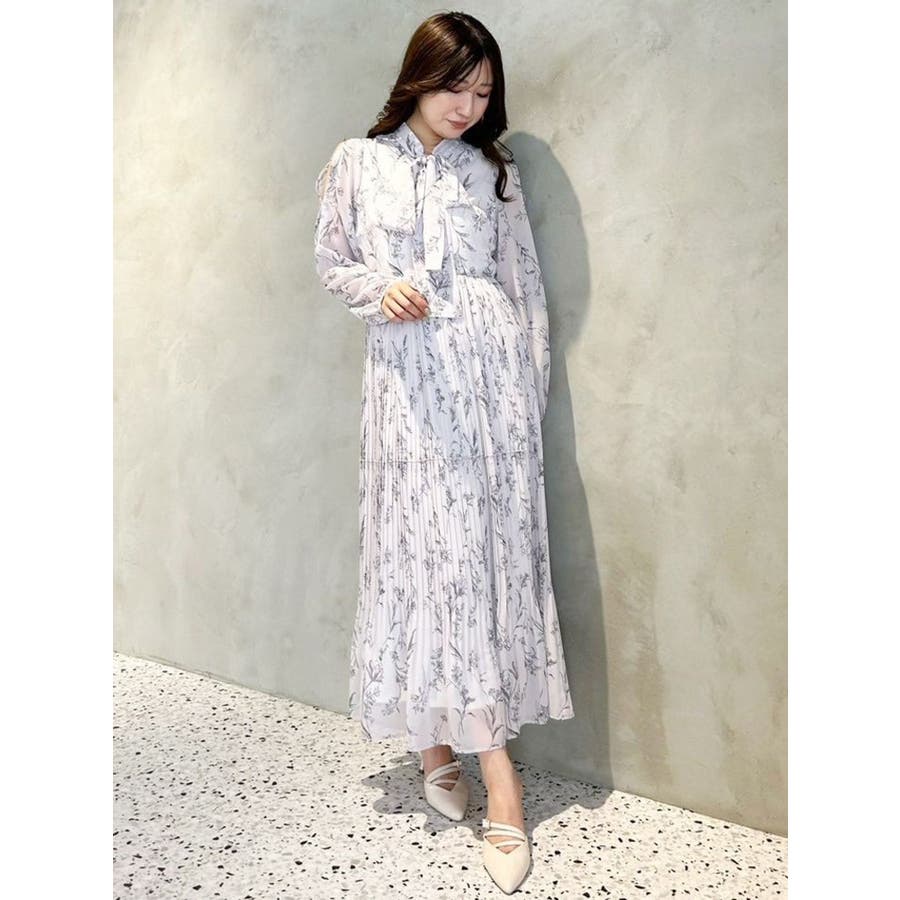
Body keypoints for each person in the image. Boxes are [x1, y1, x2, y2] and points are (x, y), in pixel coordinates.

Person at [313, 11, 574, 893]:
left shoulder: (492, 173)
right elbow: (332, 260)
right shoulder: (358, 162)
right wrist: (380, 288)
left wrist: (527, 397)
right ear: (417, 78)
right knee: (421, 554)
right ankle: (439, 744)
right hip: (408, 386)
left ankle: (491, 768)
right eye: (455, 86)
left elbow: (524, 287)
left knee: (481, 562)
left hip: (491, 389)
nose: (467, 105)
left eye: (483, 91)